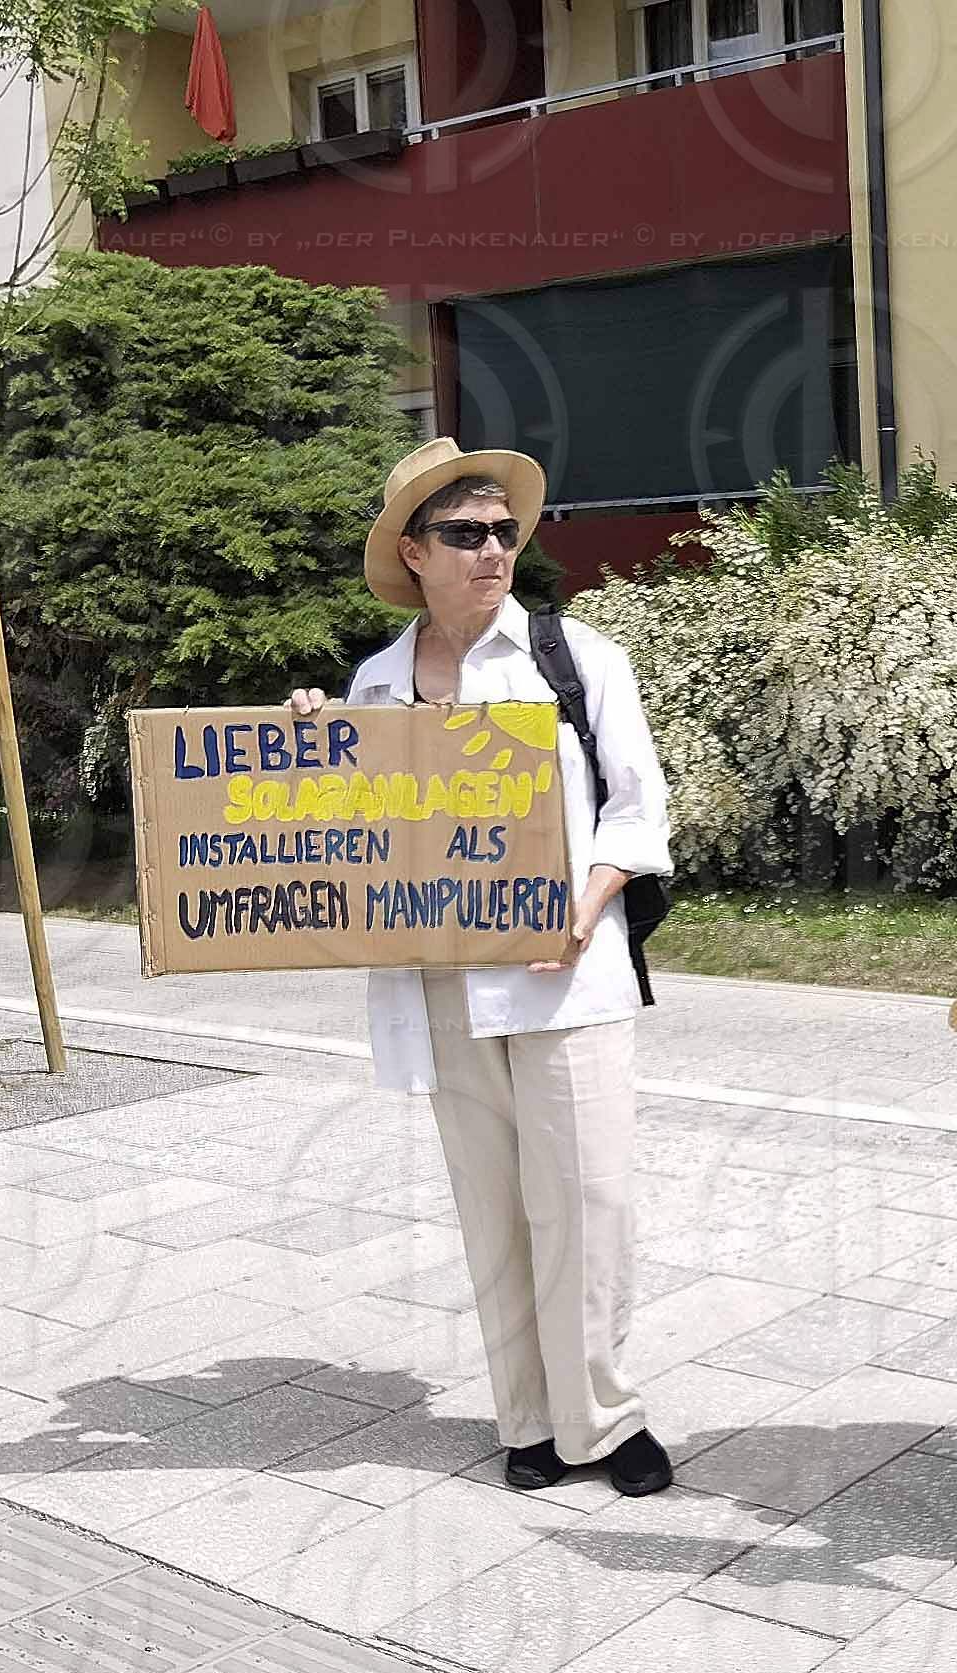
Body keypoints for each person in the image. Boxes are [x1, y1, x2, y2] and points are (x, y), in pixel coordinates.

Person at [287, 438, 674, 1498]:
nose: (494, 549)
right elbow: (341, 828)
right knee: (493, 1210)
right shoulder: (373, 683)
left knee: (588, 1205)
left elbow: (637, 811)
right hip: (445, 981)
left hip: (567, 975)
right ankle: (531, 1421)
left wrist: (581, 911)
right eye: (466, 534)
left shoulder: (574, 657)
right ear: (414, 552)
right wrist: (307, 743)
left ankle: (606, 1418)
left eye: (505, 530)